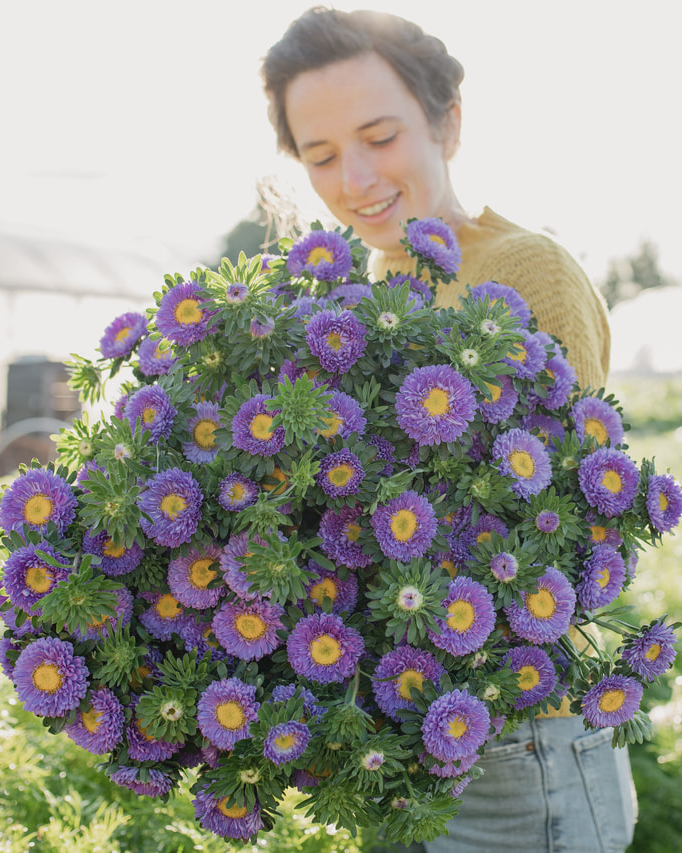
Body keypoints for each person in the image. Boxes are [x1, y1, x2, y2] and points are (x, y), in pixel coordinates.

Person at [262, 8, 632, 853]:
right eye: (320, 156)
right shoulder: (347, 304)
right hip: (391, 739)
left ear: (447, 122)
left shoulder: (522, 269)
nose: (355, 178)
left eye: (380, 136)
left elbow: (564, 525)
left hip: (515, 744)